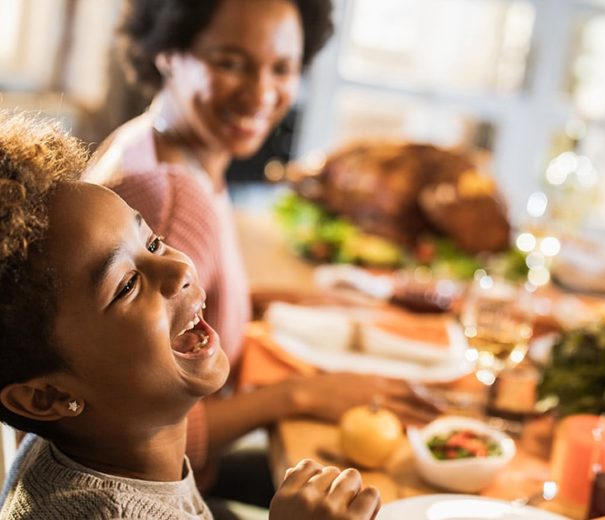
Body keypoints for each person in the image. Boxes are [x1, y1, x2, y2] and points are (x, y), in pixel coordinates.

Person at [85, 0, 438, 511]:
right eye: (230, 63)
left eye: (282, 68)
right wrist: (304, 394)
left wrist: (287, 301)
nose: (260, 93)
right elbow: (130, 428)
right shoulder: (170, 199)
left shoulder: (167, 150)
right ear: (168, 52)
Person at [0, 111, 381, 520]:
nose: (180, 269)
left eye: (154, 242)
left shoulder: (86, 453)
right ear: (47, 397)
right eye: (127, 286)